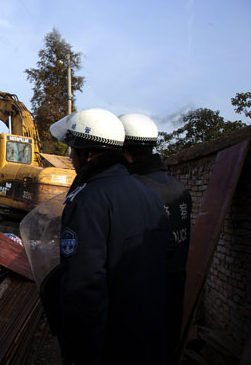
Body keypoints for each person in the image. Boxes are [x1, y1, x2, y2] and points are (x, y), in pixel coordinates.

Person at [40, 108, 170, 364]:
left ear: (87, 154)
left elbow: (84, 285)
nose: (70, 158)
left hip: (108, 341)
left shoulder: (87, 200)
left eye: (72, 151)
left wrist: (79, 351)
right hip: (146, 332)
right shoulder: (149, 196)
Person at [119, 113, 192, 364]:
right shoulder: (179, 189)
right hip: (174, 291)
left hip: (142, 297)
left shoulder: (130, 190)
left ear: (122, 148)